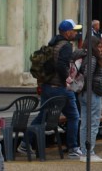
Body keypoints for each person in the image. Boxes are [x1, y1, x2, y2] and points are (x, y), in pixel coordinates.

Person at [20, 19, 83, 159]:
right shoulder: (66, 46)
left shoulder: (53, 43)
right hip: (60, 88)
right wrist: (68, 80)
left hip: (47, 86)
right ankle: (73, 148)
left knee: (42, 116)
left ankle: (24, 144)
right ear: (67, 32)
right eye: (74, 30)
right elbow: (61, 65)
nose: (76, 33)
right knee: (74, 116)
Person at [75, 35, 102, 163]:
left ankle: (84, 151)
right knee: (93, 123)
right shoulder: (92, 58)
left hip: (82, 93)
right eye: (99, 46)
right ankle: (90, 152)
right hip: (92, 92)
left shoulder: (81, 56)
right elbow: (88, 74)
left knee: (84, 123)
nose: (100, 48)